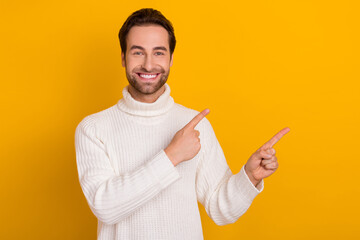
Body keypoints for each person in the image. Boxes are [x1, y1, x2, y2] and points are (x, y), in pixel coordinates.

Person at [75, 8, 290, 240]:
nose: (148, 65)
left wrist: (250, 177)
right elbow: (106, 207)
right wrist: (171, 156)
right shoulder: (93, 128)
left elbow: (221, 209)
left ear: (171, 59)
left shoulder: (194, 125)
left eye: (159, 53)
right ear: (123, 57)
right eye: (138, 53)